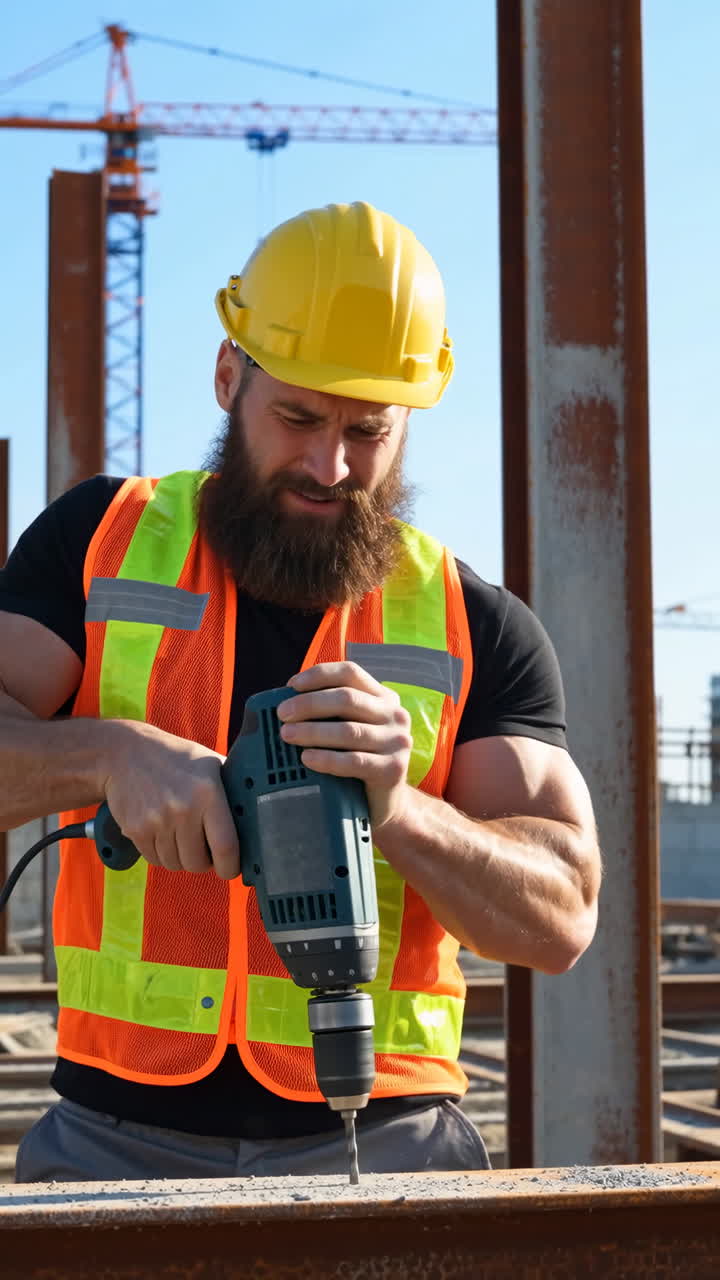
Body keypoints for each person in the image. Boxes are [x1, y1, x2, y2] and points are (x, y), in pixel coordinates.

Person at [0, 200, 601, 1184]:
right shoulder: (99, 542)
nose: (331, 465)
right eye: (299, 418)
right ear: (228, 376)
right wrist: (109, 753)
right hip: (114, 1135)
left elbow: (564, 914)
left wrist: (399, 809)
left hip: (391, 1141)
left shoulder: (472, 622)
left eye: (368, 430)